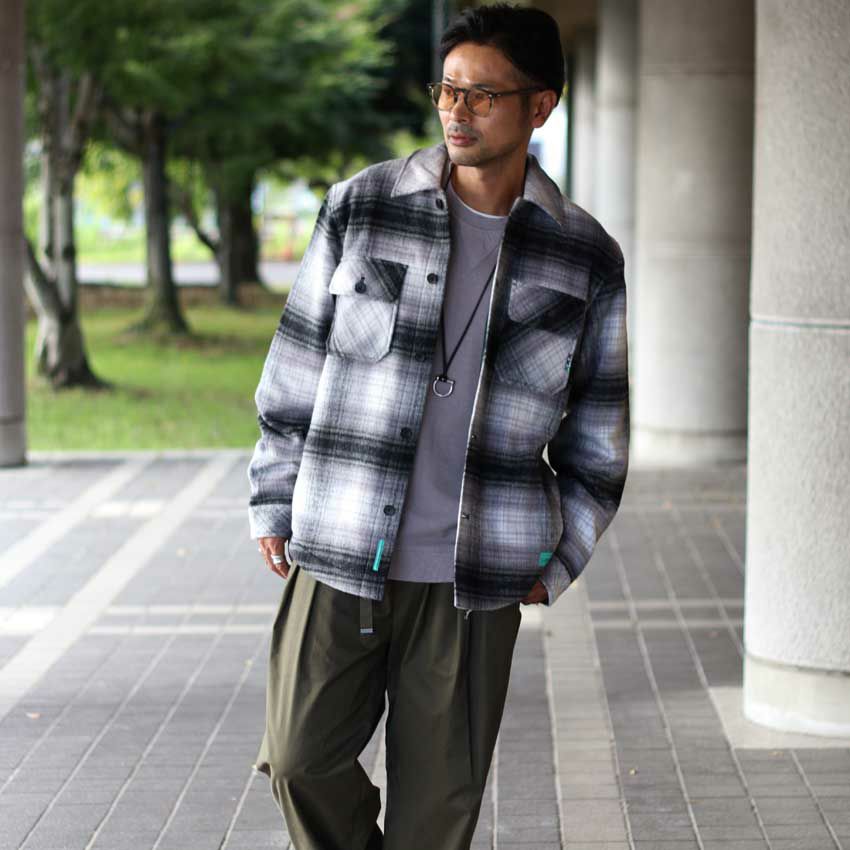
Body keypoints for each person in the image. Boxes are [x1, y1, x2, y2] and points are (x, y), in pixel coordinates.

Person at [247, 3, 630, 848]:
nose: (457, 112)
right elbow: (294, 368)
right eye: (448, 90)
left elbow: (599, 438)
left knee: (436, 816)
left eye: (482, 95)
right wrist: (274, 499)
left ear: (540, 106)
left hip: (475, 575)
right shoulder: (363, 207)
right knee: (299, 761)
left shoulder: (584, 256)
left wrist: (560, 558)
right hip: (340, 544)